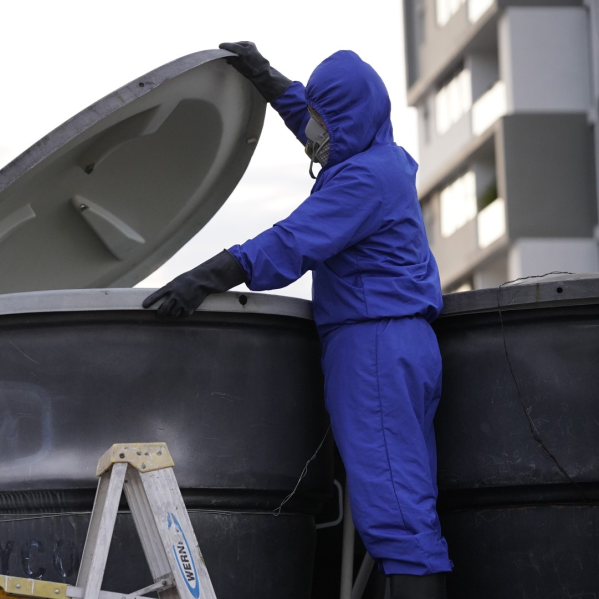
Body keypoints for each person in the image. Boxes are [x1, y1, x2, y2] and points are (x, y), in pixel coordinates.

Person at [142, 42, 452, 598]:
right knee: (405, 503)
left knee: (397, 518)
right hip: (398, 344)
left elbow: (291, 241)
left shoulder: (360, 183)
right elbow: (317, 121)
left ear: (344, 122)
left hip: (373, 350)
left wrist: (205, 277)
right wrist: (265, 76)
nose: (310, 128)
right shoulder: (377, 157)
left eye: (319, 117)